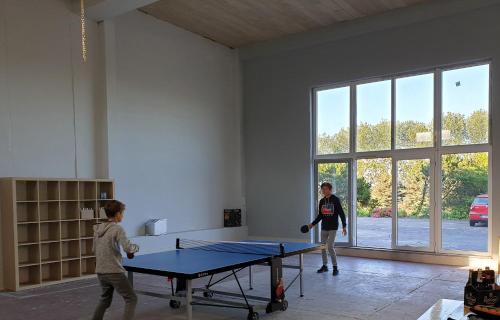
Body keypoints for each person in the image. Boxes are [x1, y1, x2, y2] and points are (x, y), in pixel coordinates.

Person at [92, 200, 140, 320]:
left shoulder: (98, 229)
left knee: (105, 299)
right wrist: (136, 248)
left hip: (100, 271)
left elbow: (94, 249)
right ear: (118, 214)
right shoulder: (118, 229)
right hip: (114, 271)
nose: (123, 216)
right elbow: (128, 248)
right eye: (122, 213)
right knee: (131, 298)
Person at [308, 182, 347, 276]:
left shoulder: (335, 200)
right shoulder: (322, 201)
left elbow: (341, 213)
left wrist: (344, 226)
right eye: (322, 189)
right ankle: (325, 266)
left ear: (330, 189)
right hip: (324, 227)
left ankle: (335, 267)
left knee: (330, 247)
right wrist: (312, 224)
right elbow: (320, 215)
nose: (324, 191)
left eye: (325, 189)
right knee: (322, 247)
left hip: (333, 227)